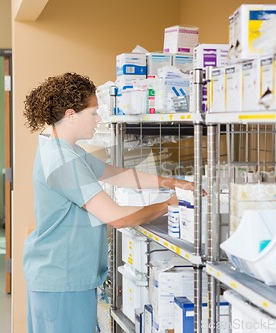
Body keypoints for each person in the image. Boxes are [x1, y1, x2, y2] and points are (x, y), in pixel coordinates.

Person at [22, 72, 194, 333]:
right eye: (93, 113)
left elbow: (114, 173)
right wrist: (169, 204)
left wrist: (169, 182)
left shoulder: (64, 149)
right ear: (70, 115)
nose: (98, 118)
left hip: (59, 274)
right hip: (62, 278)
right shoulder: (63, 161)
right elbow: (118, 217)